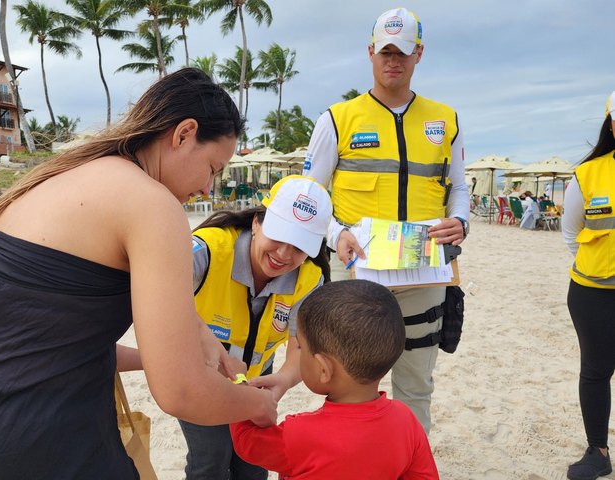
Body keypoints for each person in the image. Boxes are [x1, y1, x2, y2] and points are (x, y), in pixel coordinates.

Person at [0, 68, 277, 479]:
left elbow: (46, 336)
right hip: (31, 441)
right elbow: (180, 393)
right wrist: (258, 405)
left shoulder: (58, 177)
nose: (208, 189)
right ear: (184, 134)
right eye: (213, 168)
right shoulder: (152, 206)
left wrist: (197, 338)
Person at [302, 7, 469, 432]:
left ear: (419, 54)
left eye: (403, 52)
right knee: (348, 385)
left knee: (416, 385)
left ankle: (410, 461)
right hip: (357, 272)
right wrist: (336, 234)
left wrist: (460, 221)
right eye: (386, 52)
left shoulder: (445, 119)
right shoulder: (336, 119)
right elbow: (308, 197)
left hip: (424, 273)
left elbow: (459, 187)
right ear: (371, 52)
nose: (394, 61)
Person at [181, 175, 333, 480]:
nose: (283, 255)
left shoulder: (308, 279)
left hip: (257, 380)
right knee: (211, 459)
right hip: (199, 377)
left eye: (299, 247)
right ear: (256, 223)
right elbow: (153, 289)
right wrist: (201, 338)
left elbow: (301, 347)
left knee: (253, 461)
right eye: (278, 237)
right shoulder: (207, 250)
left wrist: (284, 381)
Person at [230, 280, 439, 479]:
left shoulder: (300, 434)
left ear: (323, 369)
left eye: (301, 347)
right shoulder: (406, 420)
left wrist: (239, 382)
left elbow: (247, 441)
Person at [562, 89, 615, 480]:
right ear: (612, 124)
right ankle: (598, 451)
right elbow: (571, 233)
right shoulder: (588, 174)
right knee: (596, 371)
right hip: (593, 292)